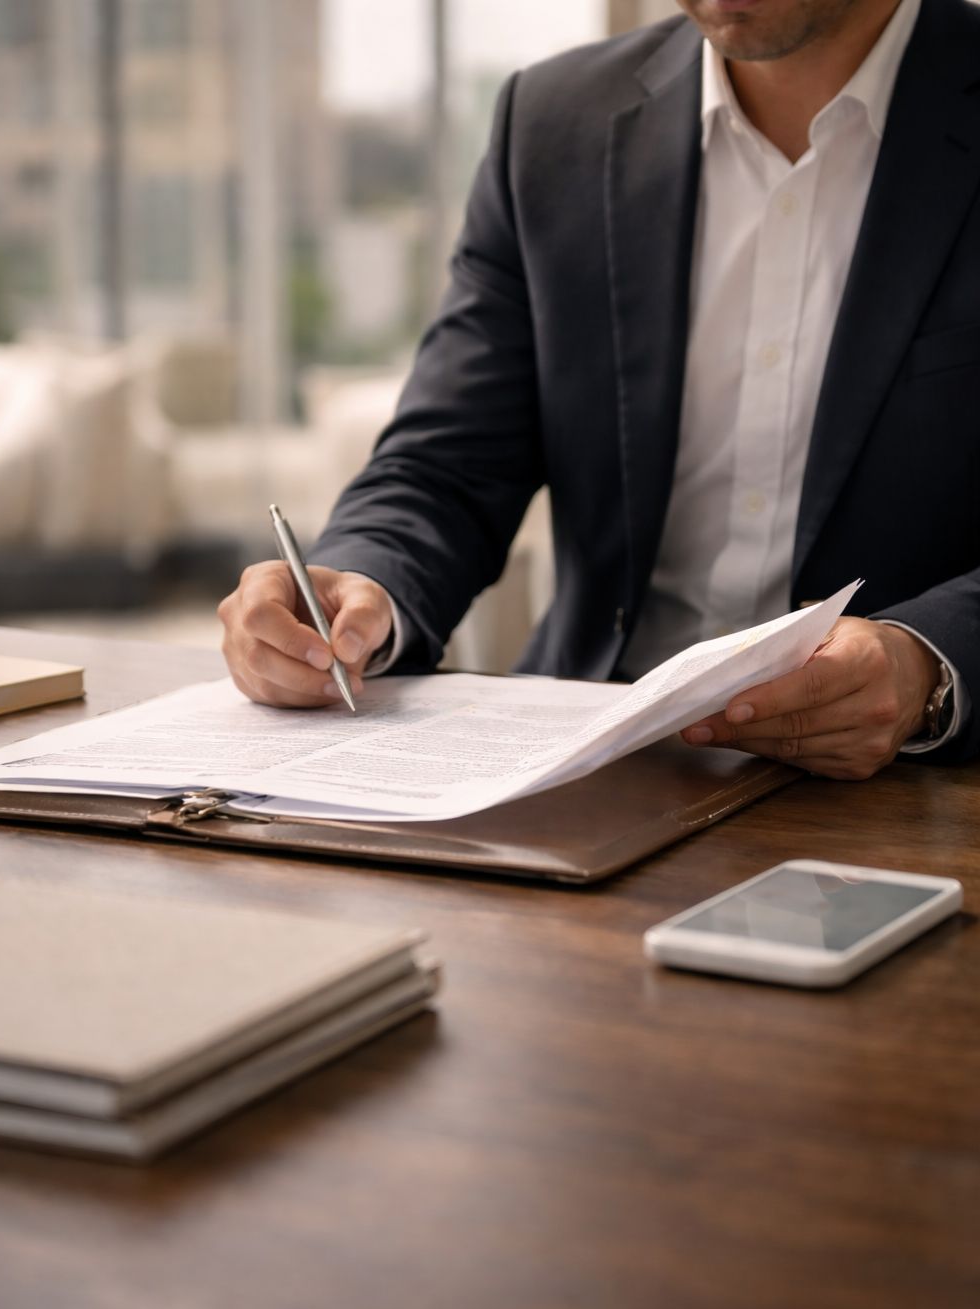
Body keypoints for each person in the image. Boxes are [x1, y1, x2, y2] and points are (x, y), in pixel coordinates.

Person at [219, 0, 980, 779]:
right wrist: (357, 583)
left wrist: (929, 662)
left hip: (904, 787)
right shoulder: (554, 123)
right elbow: (448, 463)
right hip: (586, 763)